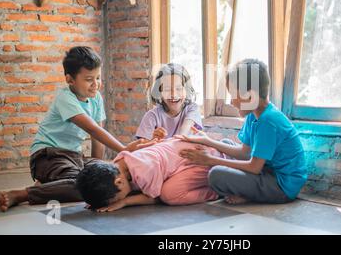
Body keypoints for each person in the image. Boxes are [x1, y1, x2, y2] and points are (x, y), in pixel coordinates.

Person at [0, 46, 154, 212]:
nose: (96, 85)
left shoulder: (95, 98)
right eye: (89, 79)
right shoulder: (65, 98)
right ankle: (23, 194)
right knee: (82, 187)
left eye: (98, 78)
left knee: (110, 174)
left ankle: (50, 184)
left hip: (75, 157)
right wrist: (123, 149)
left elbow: (97, 140)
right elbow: (93, 129)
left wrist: (98, 170)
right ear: (70, 80)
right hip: (48, 156)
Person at [177, 58, 307, 205]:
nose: (231, 102)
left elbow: (254, 167)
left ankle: (249, 194)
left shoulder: (268, 121)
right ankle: (248, 192)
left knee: (216, 174)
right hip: (266, 171)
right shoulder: (253, 115)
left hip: (282, 186)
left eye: (233, 95)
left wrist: (210, 160)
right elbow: (244, 152)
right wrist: (208, 141)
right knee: (225, 143)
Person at [76, 138, 224, 212]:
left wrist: (124, 202)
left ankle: (217, 191)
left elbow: (154, 198)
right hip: (185, 157)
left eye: (115, 198)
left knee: (168, 195)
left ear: (119, 182)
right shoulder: (118, 162)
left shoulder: (143, 170)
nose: (116, 201)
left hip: (202, 160)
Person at [136, 63, 202, 141]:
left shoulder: (192, 109)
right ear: (159, 92)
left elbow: (183, 134)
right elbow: (141, 147)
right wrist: (152, 140)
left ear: (186, 90)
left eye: (178, 89)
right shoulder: (152, 116)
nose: (173, 95)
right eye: (167, 89)